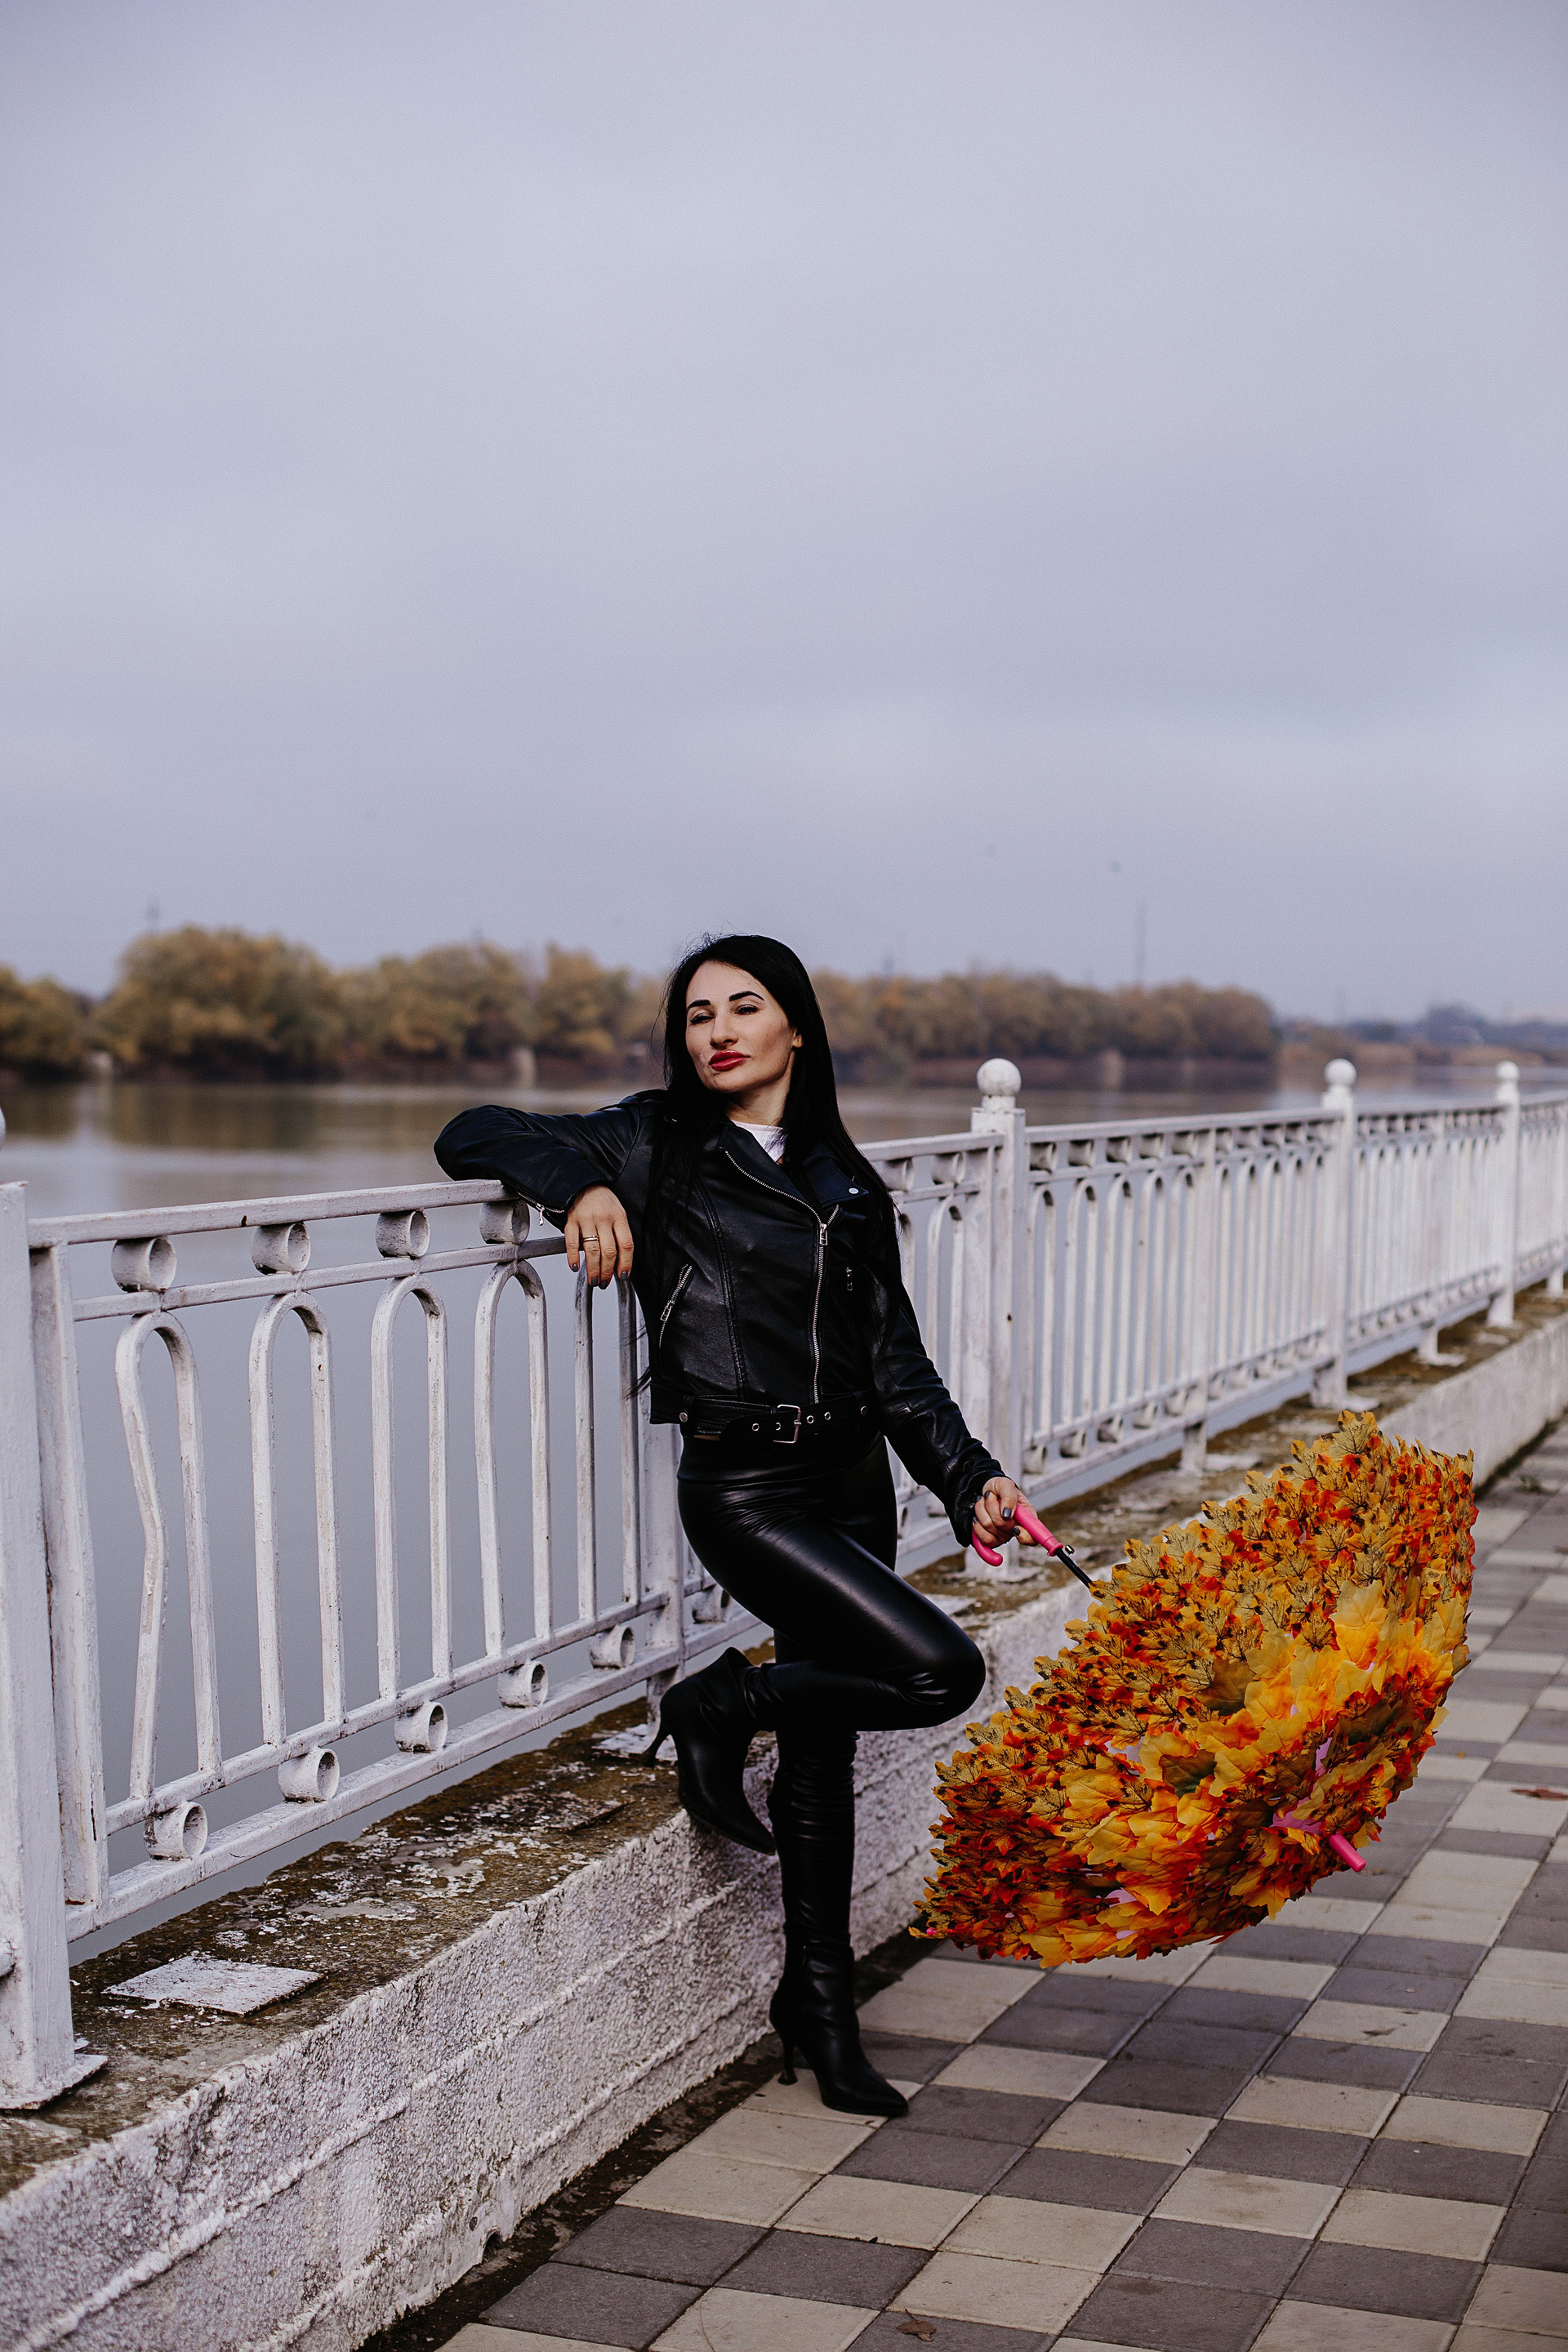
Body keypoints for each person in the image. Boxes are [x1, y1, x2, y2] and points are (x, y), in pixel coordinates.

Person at [434, 934, 1034, 2116]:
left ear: (795, 1027)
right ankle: (718, 1702)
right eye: (698, 1014)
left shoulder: (845, 1179)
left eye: (743, 1008)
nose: (717, 1031)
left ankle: (819, 2006)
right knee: (939, 1672)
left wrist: (971, 1479)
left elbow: (897, 1362)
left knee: (823, 1754)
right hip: (747, 1489)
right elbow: (475, 1130)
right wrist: (582, 1188)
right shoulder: (655, 1140)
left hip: (852, 1479)